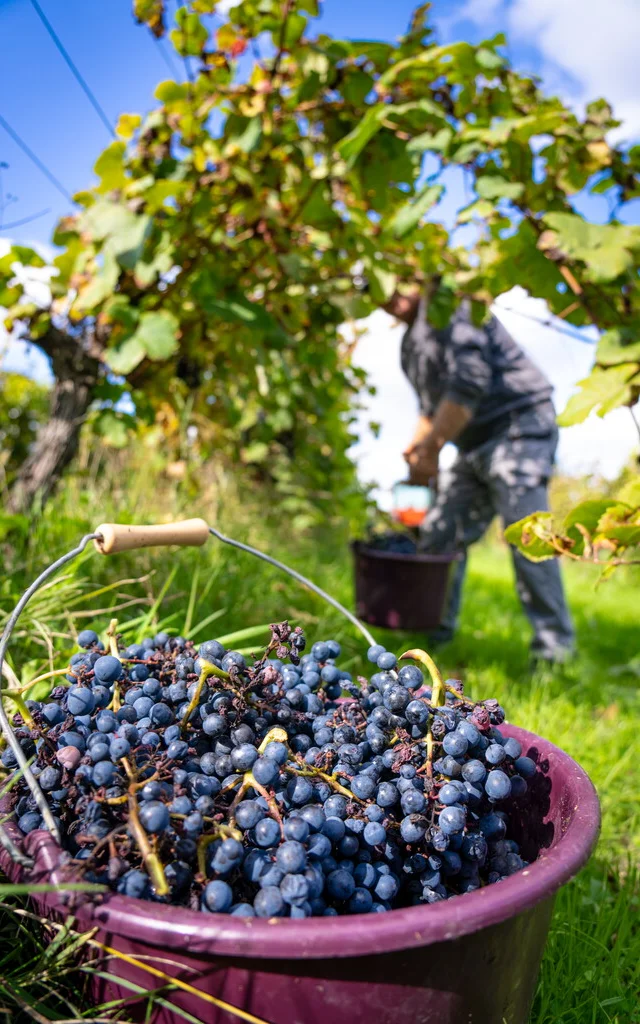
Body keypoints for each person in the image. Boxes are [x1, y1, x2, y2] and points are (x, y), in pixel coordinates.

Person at [385, 285, 575, 664]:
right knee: (440, 532)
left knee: (528, 537)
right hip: (471, 443)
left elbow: (469, 382)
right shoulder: (409, 347)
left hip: (520, 425)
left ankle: (555, 652)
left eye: (398, 278)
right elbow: (429, 411)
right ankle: (432, 641)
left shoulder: (452, 305)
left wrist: (433, 446)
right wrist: (418, 456)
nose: (389, 293)